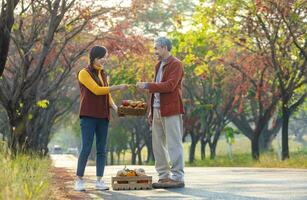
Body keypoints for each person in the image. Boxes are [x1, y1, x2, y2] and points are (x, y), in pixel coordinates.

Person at [75, 45, 128, 191]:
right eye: (102, 57)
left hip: (103, 115)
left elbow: (107, 95)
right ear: (94, 57)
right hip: (88, 115)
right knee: (86, 147)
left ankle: (99, 180)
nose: (105, 60)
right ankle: (79, 180)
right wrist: (117, 87)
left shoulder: (103, 74)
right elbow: (97, 90)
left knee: (101, 149)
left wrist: (116, 108)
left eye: (106, 57)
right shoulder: (83, 73)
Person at [136, 37, 185, 188]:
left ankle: (177, 177)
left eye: (156, 48)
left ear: (164, 47)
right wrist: (151, 110)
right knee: (157, 144)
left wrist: (147, 85)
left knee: (173, 143)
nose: (155, 51)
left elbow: (169, 86)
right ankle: (164, 176)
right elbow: (155, 90)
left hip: (171, 109)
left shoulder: (176, 64)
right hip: (156, 109)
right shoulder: (158, 65)